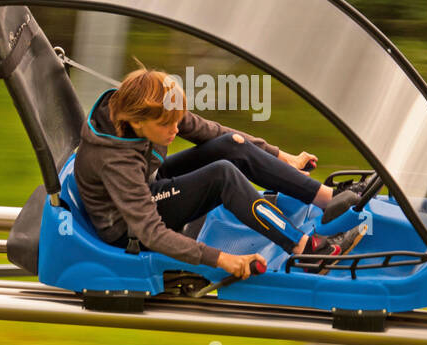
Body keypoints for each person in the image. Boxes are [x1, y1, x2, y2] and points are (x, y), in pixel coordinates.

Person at [74, 65, 367, 280]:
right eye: (168, 126)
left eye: (178, 121)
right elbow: (149, 232)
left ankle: (329, 199)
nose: (176, 130)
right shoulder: (116, 161)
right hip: (128, 228)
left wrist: (280, 156)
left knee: (230, 145)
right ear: (135, 123)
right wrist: (220, 259)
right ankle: (307, 250)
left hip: (148, 185)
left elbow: (211, 131)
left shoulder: (153, 108)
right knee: (222, 176)